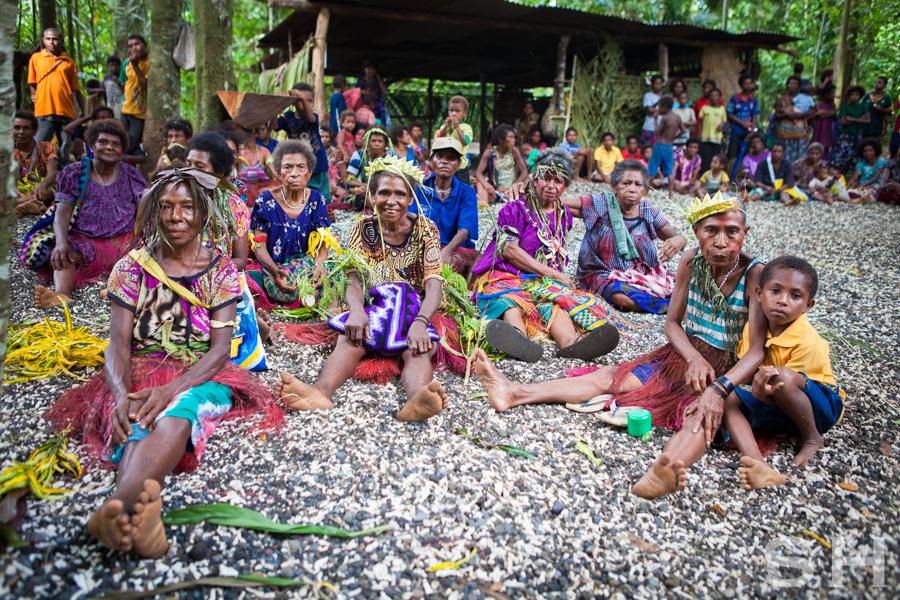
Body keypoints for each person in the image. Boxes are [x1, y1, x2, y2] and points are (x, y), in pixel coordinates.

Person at [45, 168, 281, 558]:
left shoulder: (219, 270)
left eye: (187, 207)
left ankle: (120, 506)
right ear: (154, 212)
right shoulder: (132, 268)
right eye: (167, 207)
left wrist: (171, 388)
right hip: (140, 368)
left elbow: (220, 350)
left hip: (202, 372)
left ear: (203, 215)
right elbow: (118, 344)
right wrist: (121, 392)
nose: (176, 217)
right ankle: (131, 511)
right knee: (136, 415)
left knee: (180, 411)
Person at [471, 194, 766, 500]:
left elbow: (757, 350)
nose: (721, 241)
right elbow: (672, 324)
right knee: (609, 378)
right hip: (684, 355)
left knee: (702, 412)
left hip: (728, 369)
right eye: (711, 231)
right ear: (696, 233)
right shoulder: (691, 262)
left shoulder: (754, 273)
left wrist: (719, 390)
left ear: (744, 234)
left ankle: (668, 468)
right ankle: (514, 392)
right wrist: (692, 357)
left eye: (732, 231)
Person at [276, 157, 449, 421]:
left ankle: (417, 400)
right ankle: (320, 392)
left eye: (400, 194)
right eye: (384, 193)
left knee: (418, 348)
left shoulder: (425, 229)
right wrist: (356, 310)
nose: (392, 201)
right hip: (376, 303)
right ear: (371, 195)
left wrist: (421, 322)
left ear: (411, 198)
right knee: (350, 338)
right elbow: (354, 277)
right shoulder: (362, 228)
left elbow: (433, 281)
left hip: (414, 306)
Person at [470, 149, 620, 363]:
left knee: (555, 303)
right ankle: (517, 339)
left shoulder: (564, 215)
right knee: (510, 300)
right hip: (504, 273)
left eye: (558, 181)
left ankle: (572, 344)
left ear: (565, 187)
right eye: (546, 178)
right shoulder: (515, 208)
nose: (551, 186)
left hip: (540, 280)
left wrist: (553, 278)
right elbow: (508, 250)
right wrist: (553, 274)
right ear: (534, 178)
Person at [727, 257, 844, 489]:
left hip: (820, 407)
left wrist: (760, 395)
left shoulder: (808, 343)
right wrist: (753, 392)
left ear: (808, 305)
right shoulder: (753, 329)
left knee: (782, 376)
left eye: (795, 296)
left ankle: (812, 438)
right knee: (728, 398)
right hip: (779, 403)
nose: (782, 301)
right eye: (775, 291)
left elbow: (792, 387)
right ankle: (756, 462)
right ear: (759, 293)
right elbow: (749, 373)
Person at [26, 119, 146, 308]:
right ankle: (60, 295)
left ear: (122, 150)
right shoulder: (74, 172)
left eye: (116, 144)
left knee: (146, 254)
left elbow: (144, 210)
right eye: (103, 142)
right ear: (91, 145)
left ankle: (118, 288)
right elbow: (62, 212)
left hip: (124, 241)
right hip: (85, 240)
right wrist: (61, 242)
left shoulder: (132, 175)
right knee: (64, 255)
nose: (109, 147)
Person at [576, 159, 685, 314]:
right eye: (626, 183)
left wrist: (679, 240)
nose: (632, 189)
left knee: (685, 283)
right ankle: (670, 306)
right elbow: (562, 204)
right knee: (622, 299)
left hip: (641, 273)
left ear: (645, 190)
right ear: (614, 186)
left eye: (638, 184)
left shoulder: (649, 211)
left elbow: (677, 236)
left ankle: (669, 302)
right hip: (603, 273)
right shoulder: (601, 204)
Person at [248, 140, 332, 306]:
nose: (294, 173)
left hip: (307, 265)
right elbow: (259, 246)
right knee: (248, 281)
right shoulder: (265, 200)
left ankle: (308, 294)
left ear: (309, 173)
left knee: (338, 275)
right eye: (288, 167)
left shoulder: (316, 199)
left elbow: (324, 243)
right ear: (278, 173)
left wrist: (319, 266)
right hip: (275, 267)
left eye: (301, 167)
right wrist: (274, 271)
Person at [413, 138, 479, 276]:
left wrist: (446, 251)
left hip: (455, 249)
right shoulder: (419, 189)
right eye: (440, 156)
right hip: (424, 247)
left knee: (454, 264)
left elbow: (465, 230)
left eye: (451, 158)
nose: (444, 161)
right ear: (431, 161)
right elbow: (410, 220)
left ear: (459, 164)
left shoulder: (467, 192)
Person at [186, 132, 251, 270]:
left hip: (218, 278)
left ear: (219, 172)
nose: (190, 171)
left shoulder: (234, 207)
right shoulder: (175, 200)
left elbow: (240, 259)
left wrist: (207, 269)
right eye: (188, 163)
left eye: (199, 166)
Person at [28, 28, 80, 163]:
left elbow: (74, 89)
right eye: (48, 39)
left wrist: (77, 111)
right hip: (44, 111)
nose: (52, 42)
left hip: (66, 112)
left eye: (55, 39)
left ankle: (63, 178)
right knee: (40, 145)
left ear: (61, 41)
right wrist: (34, 97)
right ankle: (34, 176)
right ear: (43, 40)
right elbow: (32, 82)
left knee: (64, 148)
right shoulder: (36, 58)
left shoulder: (68, 62)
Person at [277, 82, 331, 202]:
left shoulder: (313, 117)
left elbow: (310, 118)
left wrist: (301, 97)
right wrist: (278, 104)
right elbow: (273, 126)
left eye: (309, 100)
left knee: (322, 197)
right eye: (300, 100)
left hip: (318, 164)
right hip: (298, 165)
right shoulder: (288, 117)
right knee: (301, 196)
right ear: (293, 102)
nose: (305, 103)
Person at [13, 110, 59, 216]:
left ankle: (19, 205)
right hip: (16, 191)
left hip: (40, 189)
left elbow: (52, 172)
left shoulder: (45, 146)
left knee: (46, 193)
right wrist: (20, 194)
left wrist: (42, 185)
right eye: (17, 127)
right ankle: (30, 204)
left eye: (26, 128)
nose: (21, 132)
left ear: (34, 131)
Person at [474, 124, 527, 206]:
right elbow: (478, 173)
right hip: (495, 189)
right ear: (500, 140)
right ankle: (485, 207)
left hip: (511, 189)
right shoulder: (490, 152)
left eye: (514, 137)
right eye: (510, 137)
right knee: (479, 184)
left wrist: (514, 186)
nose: (514, 140)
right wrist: (487, 185)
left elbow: (524, 172)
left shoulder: (514, 151)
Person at [345, 127, 393, 209]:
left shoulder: (390, 158)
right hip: (362, 191)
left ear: (385, 144)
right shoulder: (359, 154)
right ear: (368, 142)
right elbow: (349, 180)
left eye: (380, 141)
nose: (376, 144)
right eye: (373, 141)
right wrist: (366, 186)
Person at [774, 76, 814, 164]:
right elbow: (776, 115)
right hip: (785, 134)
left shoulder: (805, 99)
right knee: (785, 157)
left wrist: (799, 115)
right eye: (791, 83)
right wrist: (787, 115)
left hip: (800, 134)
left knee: (800, 158)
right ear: (787, 85)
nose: (793, 86)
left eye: (795, 84)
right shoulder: (782, 99)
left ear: (799, 86)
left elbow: (811, 112)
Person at [830, 86, 870, 174]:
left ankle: (852, 173)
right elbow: (843, 121)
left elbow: (868, 120)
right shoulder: (845, 107)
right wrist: (860, 119)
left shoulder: (863, 106)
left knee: (857, 153)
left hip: (858, 134)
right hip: (846, 134)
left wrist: (851, 119)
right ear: (849, 96)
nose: (854, 96)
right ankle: (839, 173)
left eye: (857, 94)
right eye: (852, 95)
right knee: (842, 153)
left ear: (860, 96)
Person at [434, 96, 473, 183]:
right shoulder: (444, 126)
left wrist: (457, 128)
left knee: (461, 190)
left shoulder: (466, 128)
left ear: (465, 113)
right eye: (451, 110)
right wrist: (445, 127)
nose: (453, 113)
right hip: (445, 166)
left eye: (457, 111)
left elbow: (465, 141)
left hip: (460, 168)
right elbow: (438, 140)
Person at [121, 34, 149, 155]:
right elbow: (124, 83)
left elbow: (145, 85)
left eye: (137, 44)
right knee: (122, 141)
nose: (134, 48)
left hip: (139, 112)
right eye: (130, 46)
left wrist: (135, 66)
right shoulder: (126, 63)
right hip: (125, 109)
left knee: (132, 143)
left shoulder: (149, 63)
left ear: (145, 45)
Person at [647, 96, 680, 195]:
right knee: (670, 169)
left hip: (660, 145)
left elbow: (657, 131)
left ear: (664, 106)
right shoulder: (677, 117)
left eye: (660, 106)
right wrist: (674, 137)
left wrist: (655, 119)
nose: (659, 109)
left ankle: (645, 192)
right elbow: (683, 130)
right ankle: (670, 193)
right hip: (670, 146)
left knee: (653, 167)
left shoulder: (665, 118)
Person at [726, 75, 760, 164]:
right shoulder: (735, 98)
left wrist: (753, 127)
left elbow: (755, 115)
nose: (748, 85)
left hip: (747, 133)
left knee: (745, 156)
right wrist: (742, 123)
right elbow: (729, 114)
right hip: (735, 131)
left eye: (750, 83)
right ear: (741, 85)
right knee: (732, 155)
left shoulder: (753, 100)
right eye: (746, 83)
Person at [236, 126, 275, 200]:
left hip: (261, 197)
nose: (246, 135)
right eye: (245, 132)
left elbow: (274, 171)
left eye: (250, 132)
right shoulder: (239, 152)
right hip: (242, 199)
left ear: (256, 134)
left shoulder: (264, 152)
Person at [847, 139, 888, 203]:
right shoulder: (861, 163)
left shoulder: (881, 162)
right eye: (865, 151)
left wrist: (863, 185)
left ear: (875, 151)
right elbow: (854, 177)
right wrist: (847, 187)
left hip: (875, 186)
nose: (867, 153)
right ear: (862, 153)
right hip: (862, 186)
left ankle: (858, 199)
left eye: (870, 150)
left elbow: (875, 177)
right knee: (850, 191)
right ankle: (857, 199)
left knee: (868, 192)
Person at [699, 88, 727, 172]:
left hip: (717, 138)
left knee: (716, 159)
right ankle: (704, 176)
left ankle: (715, 176)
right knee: (706, 158)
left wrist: (722, 125)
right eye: (712, 95)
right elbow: (700, 122)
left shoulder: (722, 109)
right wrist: (699, 135)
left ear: (719, 97)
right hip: (706, 138)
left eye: (716, 95)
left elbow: (724, 121)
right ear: (708, 97)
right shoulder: (704, 108)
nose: (714, 97)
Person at [356, 60, 389, 126]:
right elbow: (356, 92)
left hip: (378, 108)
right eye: (368, 68)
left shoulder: (377, 81)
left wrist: (378, 78)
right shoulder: (361, 80)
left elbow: (385, 92)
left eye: (372, 69)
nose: (370, 70)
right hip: (365, 107)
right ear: (364, 69)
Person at [809, 84, 837, 158]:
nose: (833, 95)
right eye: (831, 93)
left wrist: (825, 113)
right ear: (825, 94)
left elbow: (834, 115)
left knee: (825, 151)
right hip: (818, 131)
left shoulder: (832, 105)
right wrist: (820, 114)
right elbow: (811, 117)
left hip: (828, 131)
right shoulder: (817, 104)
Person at [672, 90, 696, 159]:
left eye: (684, 98)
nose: (682, 100)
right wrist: (686, 123)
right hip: (675, 138)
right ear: (677, 100)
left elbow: (694, 122)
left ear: (687, 99)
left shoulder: (690, 110)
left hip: (685, 138)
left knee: (684, 157)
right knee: (675, 157)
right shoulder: (674, 110)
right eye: (680, 98)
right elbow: (673, 122)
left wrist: (682, 123)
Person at [642, 75, 664, 146]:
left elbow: (668, 111)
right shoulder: (648, 95)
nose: (658, 85)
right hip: (649, 128)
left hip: (661, 129)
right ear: (652, 84)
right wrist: (662, 111)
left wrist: (656, 111)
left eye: (659, 83)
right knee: (647, 150)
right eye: (656, 83)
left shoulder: (665, 97)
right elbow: (649, 109)